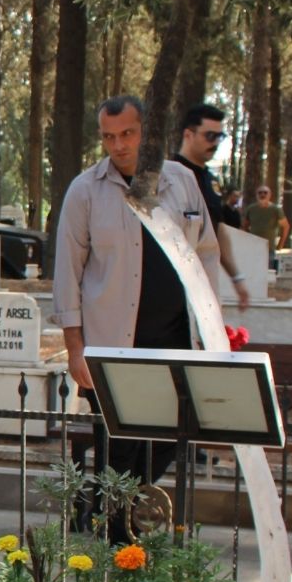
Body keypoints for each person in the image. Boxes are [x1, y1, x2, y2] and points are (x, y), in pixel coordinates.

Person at [54, 96, 224, 538]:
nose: (118, 145)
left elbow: (206, 253)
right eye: (109, 137)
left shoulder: (183, 182)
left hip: (174, 339)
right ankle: (113, 542)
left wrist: (210, 328)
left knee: (172, 436)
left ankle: (113, 513)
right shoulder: (85, 190)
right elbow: (68, 272)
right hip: (110, 344)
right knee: (118, 446)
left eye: (127, 134)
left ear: (146, 131)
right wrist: (75, 350)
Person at [173, 104, 250, 306]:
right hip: (172, 284)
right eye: (209, 136)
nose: (215, 143)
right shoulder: (169, 177)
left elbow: (217, 230)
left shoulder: (211, 180)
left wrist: (236, 277)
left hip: (204, 282)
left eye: (219, 137)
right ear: (188, 134)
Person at [245, 187, 290, 252]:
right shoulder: (251, 209)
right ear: (256, 195)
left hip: (269, 249)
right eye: (260, 193)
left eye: (265, 193)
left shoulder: (276, 210)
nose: (262, 195)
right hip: (253, 248)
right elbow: (245, 226)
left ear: (270, 195)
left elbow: (286, 226)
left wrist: (280, 244)